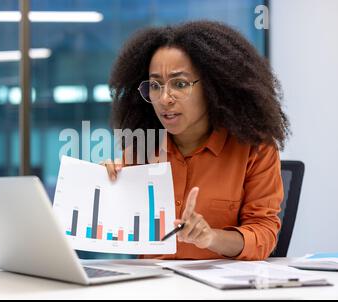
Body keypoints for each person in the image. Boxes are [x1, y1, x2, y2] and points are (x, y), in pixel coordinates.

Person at [103, 21, 290, 260]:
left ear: (214, 87)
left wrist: (211, 238)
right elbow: (117, 229)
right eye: (155, 86)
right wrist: (104, 188)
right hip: (152, 288)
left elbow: (263, 235)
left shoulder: (255, 148)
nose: (165, 98)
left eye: (180, 84)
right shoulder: (142, 149)